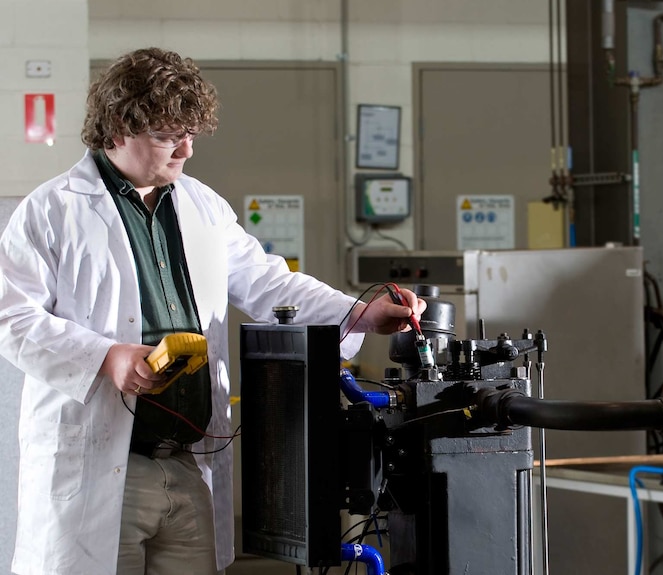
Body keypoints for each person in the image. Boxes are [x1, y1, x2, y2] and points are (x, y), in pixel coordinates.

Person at [0, 47, 425, 575]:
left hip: (187, 463)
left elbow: (267, 281)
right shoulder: (51, 211)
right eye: (167, 136)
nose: (185, 151)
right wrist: (107, 358)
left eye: (191, 134)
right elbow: (12, 321)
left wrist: (360, 312)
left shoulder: (201, 205)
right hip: (99, 464)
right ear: (115, 128)